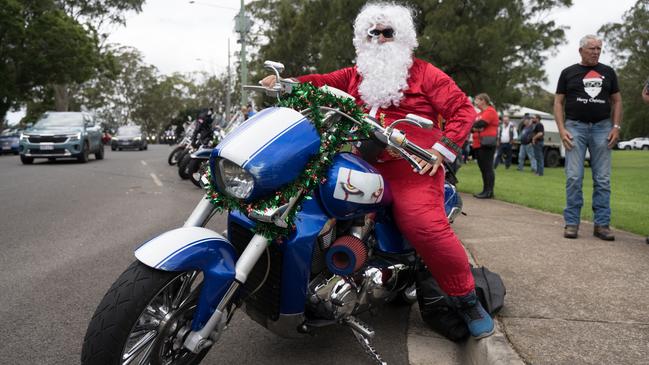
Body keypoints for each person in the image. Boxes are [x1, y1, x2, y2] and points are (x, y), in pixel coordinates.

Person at [260, 2, 494, 339]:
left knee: (423, 225)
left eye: (388, 32)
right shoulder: (356, 75)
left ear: (403, 37)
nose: (381, 39)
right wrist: (287, 84)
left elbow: (462, 110)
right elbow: (321, 83)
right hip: (361, 162)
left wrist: (440, 151)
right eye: (374, 33)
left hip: (411, 166)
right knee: (305, 199)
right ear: (363, 38)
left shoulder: (427, 74)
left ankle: (466, 298)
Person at [554, 34, 622, 240]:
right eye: (592, 48)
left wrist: (616, 126)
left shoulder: (608, 72)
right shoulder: (568, 73)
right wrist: (561, 128)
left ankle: (601, 225)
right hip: (575, 128)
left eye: (599, 49)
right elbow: (558, 103)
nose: (596, 52)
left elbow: (617, 101)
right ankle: (572, 223)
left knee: (602, 179)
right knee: (574, 177)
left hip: (602, 128)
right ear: (581, 50)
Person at [471, 93, 499, 199]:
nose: (475, 102)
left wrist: (475, 128)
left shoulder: (490, 111)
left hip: (486, 143)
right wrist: (475, 128)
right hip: (478, 143)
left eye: (477, 100)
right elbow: (473, 127)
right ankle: (485, 190)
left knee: (487, 168)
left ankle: (489, 191)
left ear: (483, 101)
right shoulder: (480, 113)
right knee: (483, 168)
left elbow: (480, 124)